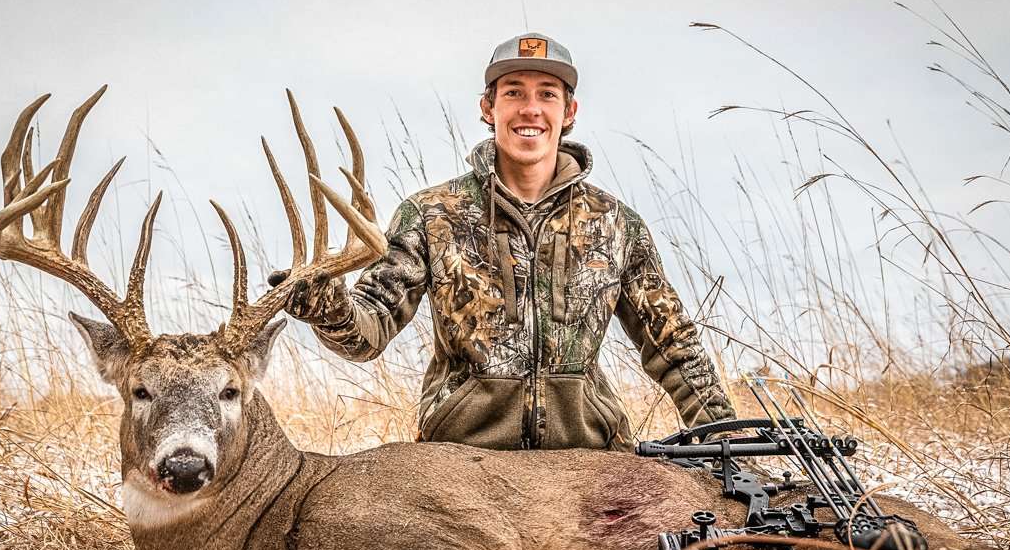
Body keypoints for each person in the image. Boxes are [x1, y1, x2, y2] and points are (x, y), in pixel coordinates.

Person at [271, 32, 736, 451]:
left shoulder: (616, 225)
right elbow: (367, 335)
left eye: (546, 95)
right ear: (488, 108)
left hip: (587, 463)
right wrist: (329, 309)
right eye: (513, 93)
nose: (530, 109)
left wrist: (728, 442)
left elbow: (673, 345)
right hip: (464, 462)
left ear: (568, 112)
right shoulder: (433, 215)